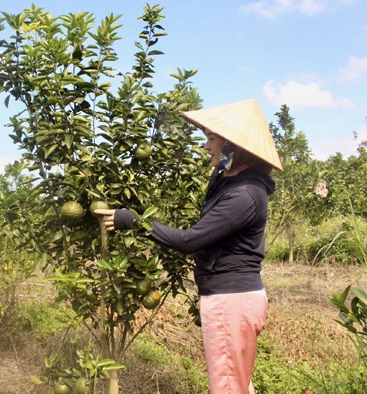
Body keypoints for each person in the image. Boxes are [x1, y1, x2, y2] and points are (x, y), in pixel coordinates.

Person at [95, 99, 283, 394]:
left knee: (228, 386)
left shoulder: (244, 195)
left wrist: (132, 220)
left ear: (233, 147)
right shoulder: (233, 184)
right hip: (231, 297)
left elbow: (190, 240)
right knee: (237, 383)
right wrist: (221, 168)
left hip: (230, 301)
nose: (206, 147)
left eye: (211, 139)